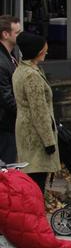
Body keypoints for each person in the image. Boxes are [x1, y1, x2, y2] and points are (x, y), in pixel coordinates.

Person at [12, 33, 58, 193]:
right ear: (37, 51)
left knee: (31, 180)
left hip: (26, 130)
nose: (46, 52)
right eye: (44, 49)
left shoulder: (21, 70)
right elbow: (39, 112)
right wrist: (49, 142)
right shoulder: (31, 76)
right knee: (36, 182)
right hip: (35, 136)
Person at [0, 15, 22, 164]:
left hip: (9, 122)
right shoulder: (2, 61)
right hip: (4, 124)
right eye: (17, 33)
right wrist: (24, 111)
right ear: (5, 34)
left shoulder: (10, 57)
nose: (20, 36)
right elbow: (5, 97)